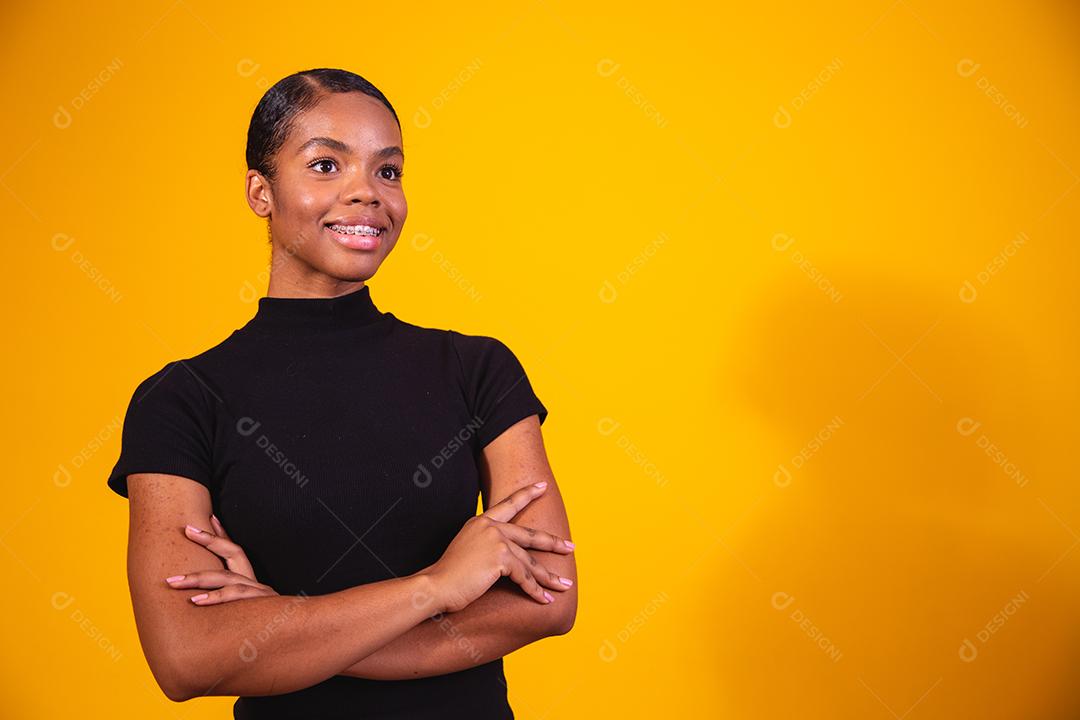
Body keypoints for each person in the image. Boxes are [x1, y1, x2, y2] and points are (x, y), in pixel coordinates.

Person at [105, 68, 577, 719]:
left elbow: (547, 601)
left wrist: (273, 628)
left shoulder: (476, 369)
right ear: (260, 192)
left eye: (388, 171)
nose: (368, 194)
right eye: (327, 164)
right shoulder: (183, 400)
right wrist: (436, 587)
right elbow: (187, 659)